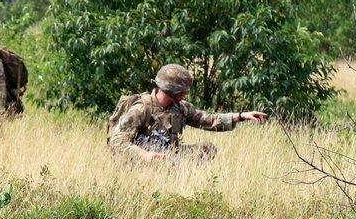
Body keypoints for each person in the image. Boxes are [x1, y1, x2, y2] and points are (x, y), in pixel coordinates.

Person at [107, 63, 268, 161]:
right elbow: (117, 141)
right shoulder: (142, 109)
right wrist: (144, 155)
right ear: (172, 89)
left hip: (169, 155)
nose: (186, 93)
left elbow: (206, 119)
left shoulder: (180, 107)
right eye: (183, 89)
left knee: (207, 149)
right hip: (144, 161)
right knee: (164, 163)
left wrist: (240, 116)